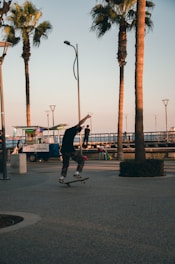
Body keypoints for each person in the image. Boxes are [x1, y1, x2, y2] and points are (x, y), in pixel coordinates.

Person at [59, 114, 91, 183]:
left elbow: (78, 128)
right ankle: (77, 173)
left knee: (65, 164)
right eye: (77, 132)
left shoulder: (67, 131)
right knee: (81, 160)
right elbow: (80, 123)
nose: (77, 133)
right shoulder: (73, 130)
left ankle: (62, 177)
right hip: (70, 150)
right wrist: (86, 117)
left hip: (63, 150)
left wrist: (81, 128)